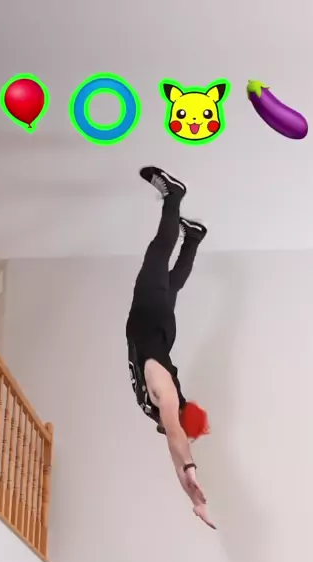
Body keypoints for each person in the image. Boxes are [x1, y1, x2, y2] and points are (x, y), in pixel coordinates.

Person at [126, 166, 215, 529]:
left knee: (171, 284)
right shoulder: (165, 398)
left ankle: (192, 237)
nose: (171, 431)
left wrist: (191, 491)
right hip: (151, 319)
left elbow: (174, 448)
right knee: (157, 254)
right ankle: (173, 196)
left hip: (159, 329)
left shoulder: (165, 408)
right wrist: (190, 467)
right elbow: (176, 440)